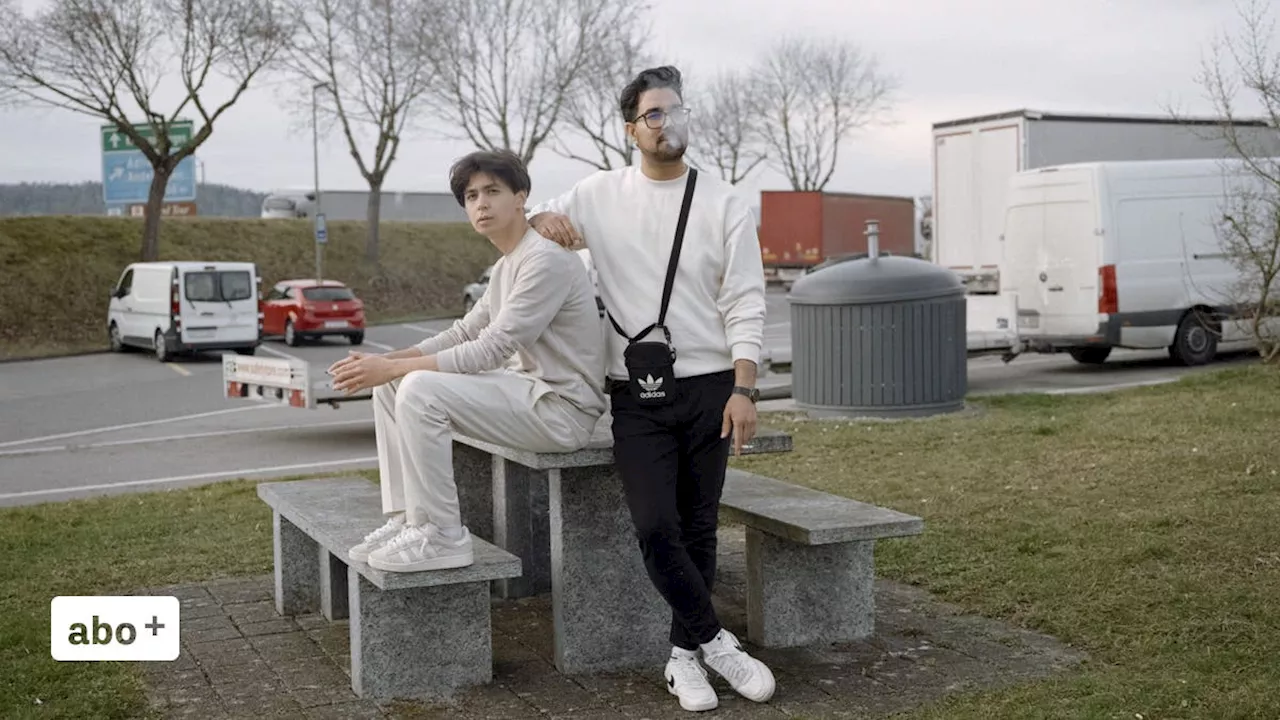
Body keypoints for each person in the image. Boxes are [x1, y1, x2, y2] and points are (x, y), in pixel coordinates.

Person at [526, 65, 774, 713]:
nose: (669, 123)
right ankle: (719, 641)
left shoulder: (725, 203)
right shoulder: (597, 193)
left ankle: (681, 659)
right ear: (631, 128)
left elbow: (746, 301)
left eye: (677, 110)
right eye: (655, 114)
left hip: (714, 389)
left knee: (698, 528)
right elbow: (534, 217)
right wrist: (540, 220)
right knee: (655, 523)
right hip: (636, 394)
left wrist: (745, 389)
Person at [328, 149, 607, 574]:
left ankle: (444, 536)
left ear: (522, 197)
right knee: (392, 384)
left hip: (561, 410)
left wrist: (398, 368)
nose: (481, 203)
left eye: (492, 191)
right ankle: (410, 520)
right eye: (472, 196)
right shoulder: (505, 267)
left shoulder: (545, 259)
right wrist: (387, 362)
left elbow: (492, 348)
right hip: (527, 395)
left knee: (419, 388)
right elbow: (463, 332)